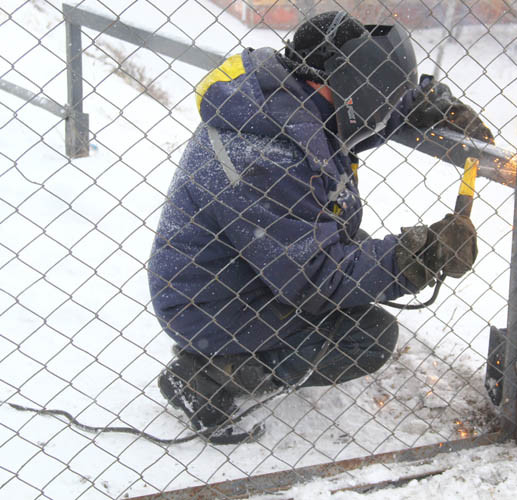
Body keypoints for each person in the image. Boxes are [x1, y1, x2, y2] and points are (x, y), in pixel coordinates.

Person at [148, 11, 491, 443]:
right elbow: (319, 278)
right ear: (341, 87)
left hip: (250, 269)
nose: (380, 109)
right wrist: (418, 256)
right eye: (376, 97)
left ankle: (236, 357)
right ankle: (210, 375)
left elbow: (366, 109)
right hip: (211, 303)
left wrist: (426, 104)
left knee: (359, 263)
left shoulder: (287, 102)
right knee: (369, 336)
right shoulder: (262, 155)